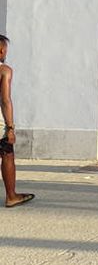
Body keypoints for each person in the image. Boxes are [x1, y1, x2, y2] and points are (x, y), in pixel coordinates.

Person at [0, 35, 34, 208]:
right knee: (7, 155)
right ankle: (11, 196)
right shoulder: (4, 70)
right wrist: (10, 127)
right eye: (5, 48)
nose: (6, 51)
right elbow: (5, 100)